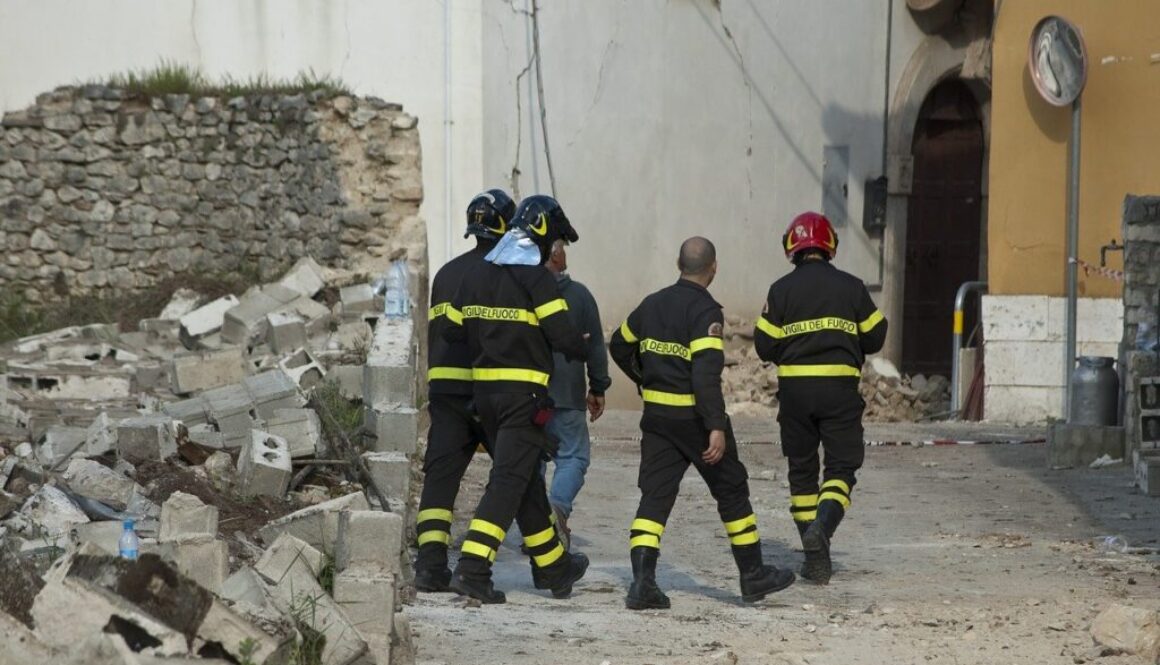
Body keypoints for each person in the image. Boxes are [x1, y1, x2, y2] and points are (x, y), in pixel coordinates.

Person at [609, 237, 795, 610]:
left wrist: (643, 378)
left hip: (658, 420)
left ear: (679, 263)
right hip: (694, 420)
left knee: (655, 498)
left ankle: (642, 584)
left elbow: (618, 345)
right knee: (731, 490)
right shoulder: (706, 312)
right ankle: (752, 574)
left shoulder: (652, 303)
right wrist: (714, 426)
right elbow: (704, 376)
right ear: (713, 268)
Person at [445, 194, 591, 604]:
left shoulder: (476, 276)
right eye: (554, 241)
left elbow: (452, 330)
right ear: (543, 236)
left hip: (486, 398)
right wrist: (579, 347)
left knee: (525, 482)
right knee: (508, 483)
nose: (553, 250)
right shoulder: (538, 280)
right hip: (524, 399)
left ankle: (553, 568)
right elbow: (562, 335)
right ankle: (473, 571)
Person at [753, 212, 888, 585]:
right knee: (842, 469)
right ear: (830, 245)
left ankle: (814, 555)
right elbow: (876, 336)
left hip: (795, 395)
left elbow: (764, 345)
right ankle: (823, 530)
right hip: (839, 394)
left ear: (791, 247)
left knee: (801, 472)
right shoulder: (852, 287)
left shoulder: (780, 290)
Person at [413, 189, 514, 592]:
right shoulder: (501, 276)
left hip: (446, 392)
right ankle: (544, 563)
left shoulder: (447, 273)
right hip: (487, 390)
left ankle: (429, 565)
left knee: (441, 478)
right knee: (512, 473)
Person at [540, 238, 611, 549]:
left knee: (531, 459)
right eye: (562, 248)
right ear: (555, 255)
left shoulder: (519, 293)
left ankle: (537, 521)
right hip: (566, 399)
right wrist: (598, 387)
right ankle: (556, 509)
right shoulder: (580, 296)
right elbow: (595, 345)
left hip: (529, 400)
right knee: (573, 456)